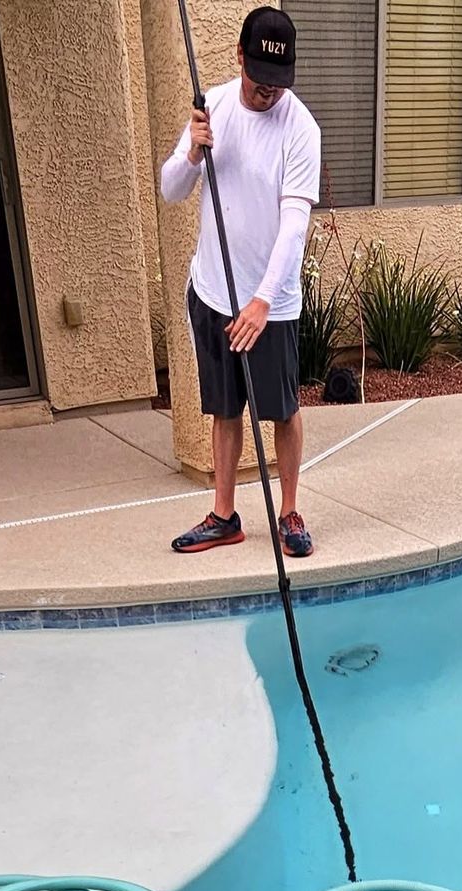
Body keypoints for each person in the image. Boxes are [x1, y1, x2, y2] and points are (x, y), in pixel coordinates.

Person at [161, 7, 320, 558]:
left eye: (278, 84)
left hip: (270, 304)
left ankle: (290, 511)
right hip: (212, 289)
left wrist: (260, 301)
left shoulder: (301, 129)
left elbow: (293, 226)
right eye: (259, 80)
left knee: (282, 409)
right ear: (239, 59)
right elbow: (171, 190)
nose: (267, 94)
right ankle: (224, 516)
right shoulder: (215, 108)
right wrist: (191, 153)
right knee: (224, 408)